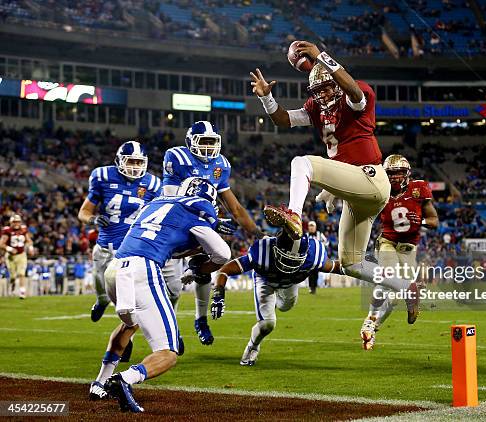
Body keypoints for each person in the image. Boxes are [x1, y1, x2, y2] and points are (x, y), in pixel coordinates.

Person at [251, 41, 394, 307]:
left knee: (301, 163)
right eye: (316, 91)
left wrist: (320, 56)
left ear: (337, 85)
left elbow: (352, 89)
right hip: (358, 194)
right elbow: (284, 119)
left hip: (371, 177)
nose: (322, 95)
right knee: (352, 264)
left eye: (327, 88)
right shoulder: (317, 108)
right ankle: (406, 286)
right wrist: (266, 97)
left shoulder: (354, 93)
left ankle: (294, 215)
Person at [89, 177, 234, 412]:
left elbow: (163, 238)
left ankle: (100, 381)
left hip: (115, 269)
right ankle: (125, 379)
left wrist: (196, 245)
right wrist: (199, 267)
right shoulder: (199, 208)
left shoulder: (156, 202)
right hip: (142, 270)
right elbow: (222, 254)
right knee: (168, 352)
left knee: (130, 325)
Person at [161, 120, 262, 347]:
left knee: (212, 260)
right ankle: (169, 328)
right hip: (175, 224)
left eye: (212, 142)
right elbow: (171, 201)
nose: (208, 147)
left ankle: (201, 318)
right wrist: (213, 221)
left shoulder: (221, 164)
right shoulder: (177, 157)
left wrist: (256, 232)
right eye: (203, 141)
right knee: (173, 290)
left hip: (202, 225)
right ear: (191, 142)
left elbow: (235, 208)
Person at [209, 228, 343, 366]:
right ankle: (253, 346)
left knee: (286, 306)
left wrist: (365, 268)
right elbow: (225, 270)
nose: (289, 264)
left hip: (290, 283)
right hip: (265, 280)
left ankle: (272, 303)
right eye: (286, 257)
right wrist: (218, 294)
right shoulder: (262, 252)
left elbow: (339, 267)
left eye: (295, 259)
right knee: (268, 324)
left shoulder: (313, 255)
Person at [360, 155, 438, 350]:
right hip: (387, 242)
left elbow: (434, 221)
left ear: (407, 173)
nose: (394, 177)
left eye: (398, 173)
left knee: (395, 297)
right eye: (391, 173)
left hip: (408, 248)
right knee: (386, 279)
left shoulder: (418, 189)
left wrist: (419, 221)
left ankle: (374, 328)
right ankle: (369, 319)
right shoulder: (381, 191)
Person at [78, 141, 161, 321]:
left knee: (127, 294)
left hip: (131, 249)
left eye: (139, 162)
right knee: (101, 289)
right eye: (131, 161)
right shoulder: (103, 176)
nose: (135, 167)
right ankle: (101, 302)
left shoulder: (153, 184)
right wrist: (93, 219)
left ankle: (131, 329)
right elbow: (83, 212)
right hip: (104, 245)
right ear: (120, 160)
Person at [1, 214, 33, 299]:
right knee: (13, 277)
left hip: (21, 255)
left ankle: (22, 292)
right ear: (11, 222)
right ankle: (13, 283)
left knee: (21, 273)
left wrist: (30, 248)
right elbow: (1, 244)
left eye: (18, 222)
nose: (16, 224)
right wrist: (10, 249)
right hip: (10, 256)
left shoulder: (23, 229)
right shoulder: (7, 231)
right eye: (14, 222)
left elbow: (29, 240)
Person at [306, 220, 328, 294]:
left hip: (317, 257)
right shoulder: (306, 235)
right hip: (308, 257)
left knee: (315, 272)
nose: (311, 228)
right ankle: (311, 287)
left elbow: (326, 242)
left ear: (315, 227)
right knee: (309, 273)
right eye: (310, 226)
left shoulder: (319, 234)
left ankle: (313, 288)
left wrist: (321, 247)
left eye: (313, 226)